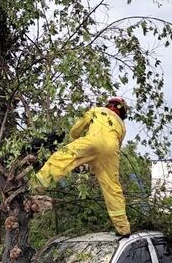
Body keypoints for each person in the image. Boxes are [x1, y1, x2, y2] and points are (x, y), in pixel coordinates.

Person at [30, 97, 131, 236]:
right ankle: (123, 228)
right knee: (112, 188)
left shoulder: (98, 110)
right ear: (123, 112)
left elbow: (77, 128)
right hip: (111, 151)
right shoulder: (122, 127)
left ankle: (35, 186)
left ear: (109, 105)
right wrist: (94, 164)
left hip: (92, 142)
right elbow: (114, 147)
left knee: (62, 158)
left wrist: (75, 141)